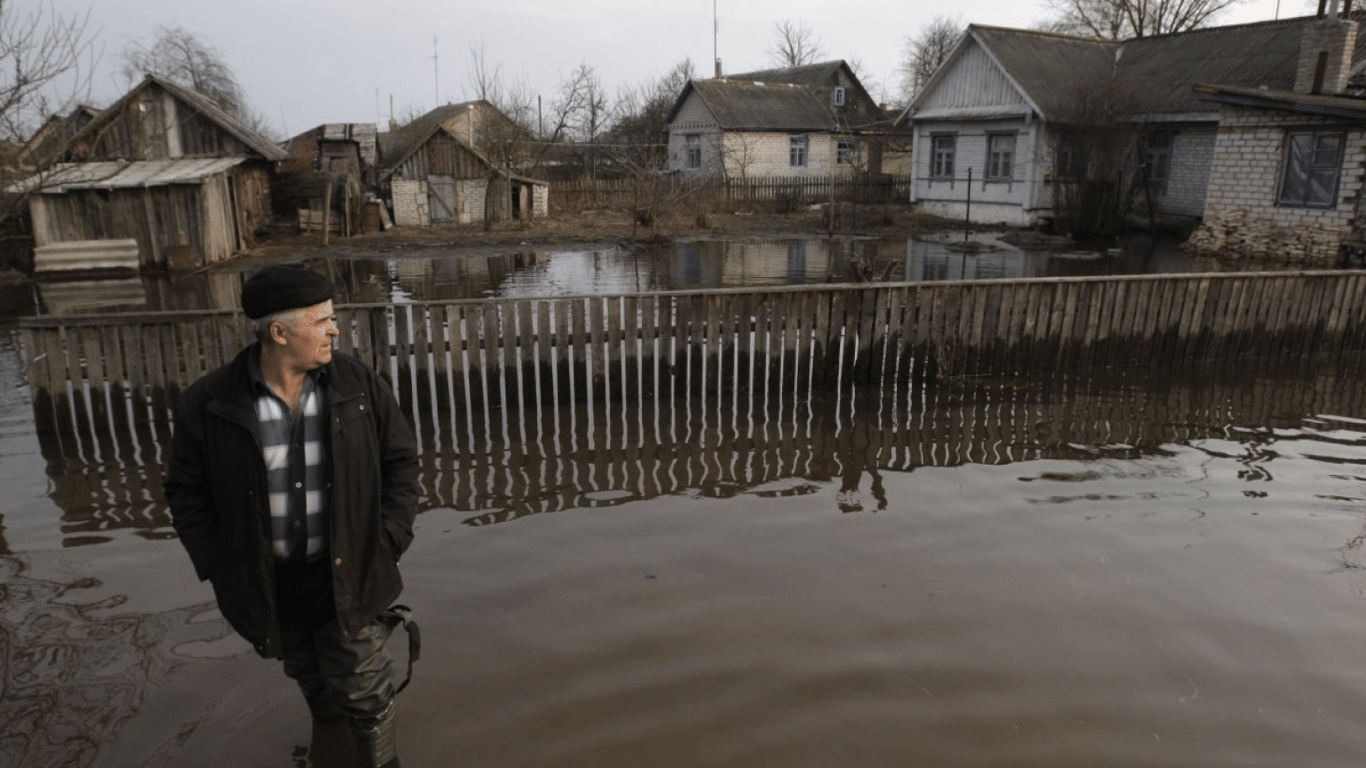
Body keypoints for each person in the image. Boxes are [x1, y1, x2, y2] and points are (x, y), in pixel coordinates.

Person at [164, 265, 420, 768]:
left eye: (333, 318)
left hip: (349, 570)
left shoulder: (359, 385)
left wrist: (388, 538)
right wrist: (219, 562)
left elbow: (401, 463)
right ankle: (330, 740)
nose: (334, 329)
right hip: (270, 581)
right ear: (279, 333)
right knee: (309, 675)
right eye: (321, 320)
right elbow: (185, 492)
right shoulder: (211, 402)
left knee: (366, 687)